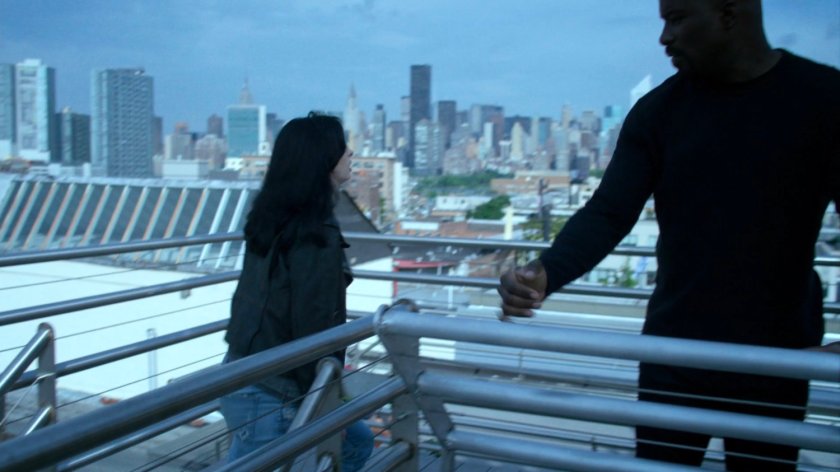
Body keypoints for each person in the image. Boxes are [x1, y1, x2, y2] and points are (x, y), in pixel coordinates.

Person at [498, 0, 839, 470]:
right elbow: (609, 212)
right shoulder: (659, 111)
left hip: (778, 358)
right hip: (674, 351)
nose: (664, 38)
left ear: (729, 14)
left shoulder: (824, 100)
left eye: (676, 19)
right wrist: (546, 272)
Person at [220, 112, 373, 471]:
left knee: (358, 441)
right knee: (351, 444)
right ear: (322, 158)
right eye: (341, 146)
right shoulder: (314, 235)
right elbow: (313, 328)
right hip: (274, 391)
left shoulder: (272, 217)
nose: (350, 153)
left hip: (243, 374)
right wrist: (323, 401)